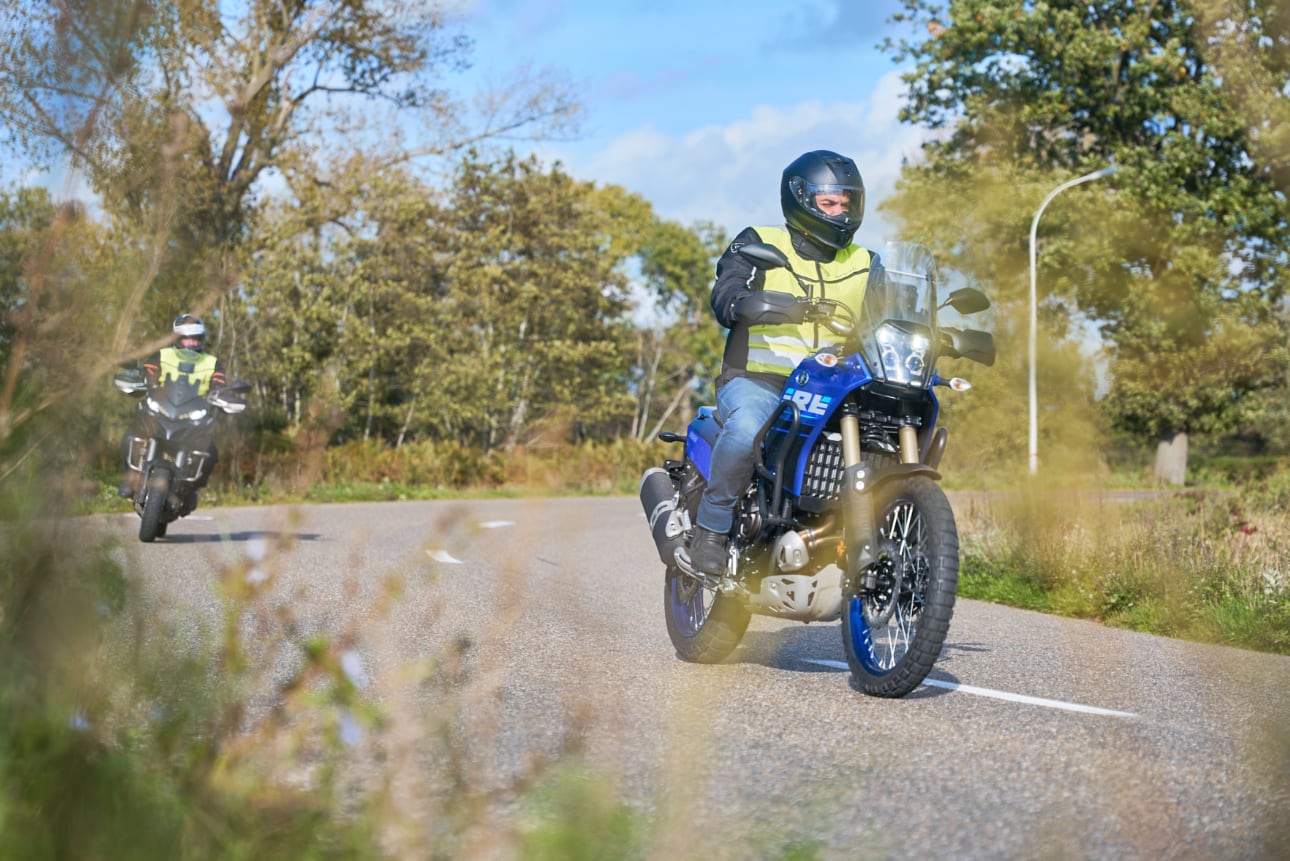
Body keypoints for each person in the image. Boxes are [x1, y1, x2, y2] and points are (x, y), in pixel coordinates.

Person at [687, 150, 881, 577]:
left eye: (846, 202)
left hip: (833, 384)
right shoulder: (761, 242)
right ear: (802, 199)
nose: (841, 211)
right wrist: (744, 301)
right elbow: (726, 291)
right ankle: (712, 527)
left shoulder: (867, 263)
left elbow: (890, 313)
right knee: (747, 427)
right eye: (830, 202)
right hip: (760, 379)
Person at [118, 314, 227, 502]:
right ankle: (130, 478)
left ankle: (193, 489)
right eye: (186, 338)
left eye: (195, 338)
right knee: (131, 435)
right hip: (161, 406)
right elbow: (148, 369)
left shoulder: (211, 362)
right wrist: (141, 378)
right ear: (177, 338)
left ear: (201, 339)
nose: (190, 343)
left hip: (193, 413)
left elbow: (220, 382)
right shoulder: (162, 355)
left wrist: (223, 394)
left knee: (210, 450)